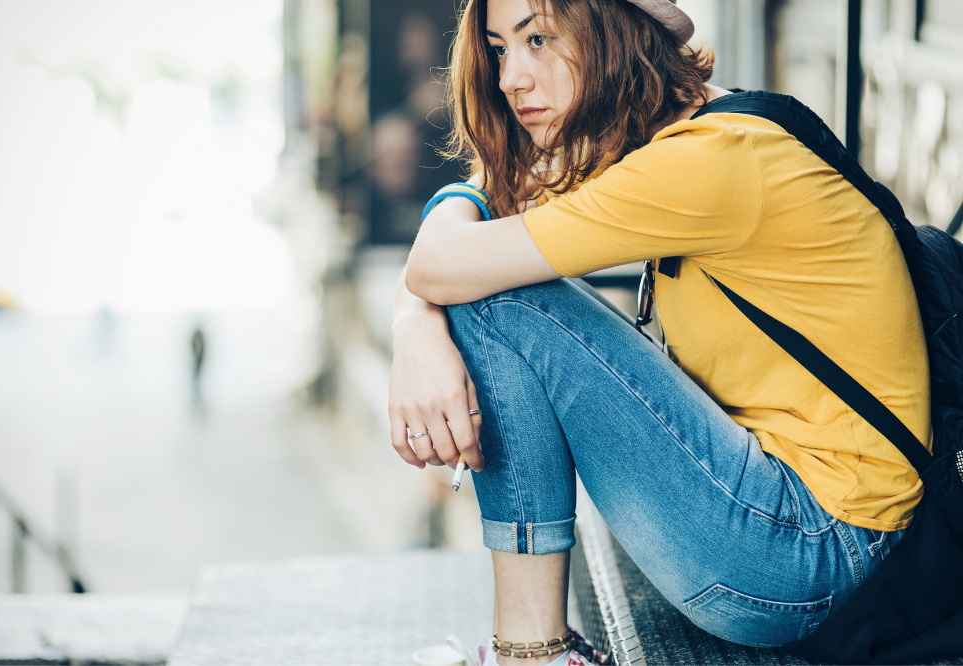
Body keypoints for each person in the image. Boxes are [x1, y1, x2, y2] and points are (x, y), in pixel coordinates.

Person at [387, 0, 931, 663]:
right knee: (484, 284)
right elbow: (468, 226)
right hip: (809, 528)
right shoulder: (684, 134)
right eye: (500, 48)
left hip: (814, 551)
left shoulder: (707, 162)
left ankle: (535, 653)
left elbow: (444, 265)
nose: (509, 78)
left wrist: (419, 314)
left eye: (539, 39)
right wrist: (415, 326)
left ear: (613, 35)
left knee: (504, 300)